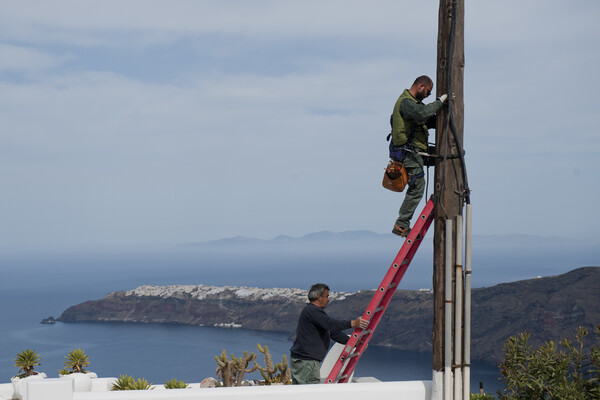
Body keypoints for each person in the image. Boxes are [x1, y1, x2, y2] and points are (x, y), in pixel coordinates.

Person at [390, 75, 447, 237]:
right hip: (408, 153)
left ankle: (402, 223)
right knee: (417, 187)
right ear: (421, 86)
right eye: (428, 92)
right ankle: (401, 224)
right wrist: (439, 102)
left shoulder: (412, 105)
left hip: (414, 151)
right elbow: (422, 114)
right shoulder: (407, 103)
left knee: (443, 157)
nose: (428, 95)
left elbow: (426, 119)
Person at [289, 283, 368, 384]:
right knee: (309, 393)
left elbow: (332, 332)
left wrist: (353, 343)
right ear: (319, 297)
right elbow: (330, 324)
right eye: (326, 296)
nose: (329, 299)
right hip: (306, 362)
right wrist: (353, 323)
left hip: (303, 361)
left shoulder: (312, 312)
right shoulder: (312, 311)